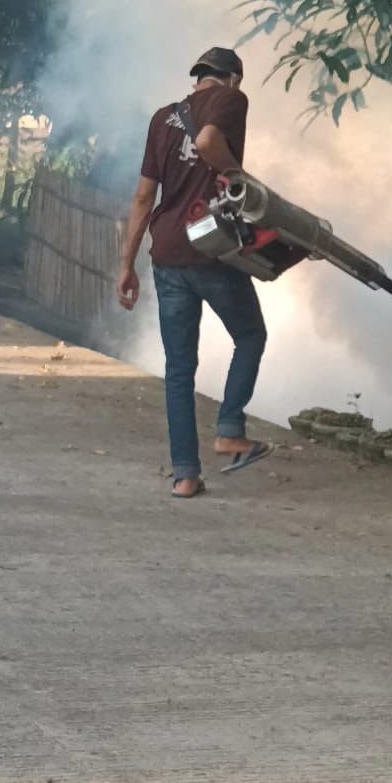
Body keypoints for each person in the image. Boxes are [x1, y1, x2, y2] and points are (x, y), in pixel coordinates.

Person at [116, 46, 273, 498]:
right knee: (250, 335)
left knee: (179, 369)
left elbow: (143, 197)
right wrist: (237, 175)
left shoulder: (162, 118)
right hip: (211, 249)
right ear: (233, 78)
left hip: (166, 254)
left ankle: (185, 475)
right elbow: (206, 142)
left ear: (198, 77)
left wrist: (126, 264)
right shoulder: (232, 99)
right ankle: (229, 430)